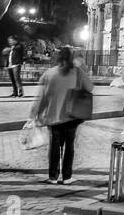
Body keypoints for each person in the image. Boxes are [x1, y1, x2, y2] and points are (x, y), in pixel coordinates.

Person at [31, 46, 93, 185]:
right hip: (72, 116)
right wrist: (82, 68)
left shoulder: (48, 74)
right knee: (69, 147)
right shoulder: (77, 72)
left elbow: (41, 98)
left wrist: (35, 115)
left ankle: (53, 177)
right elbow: (90, 88)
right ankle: (67, 177)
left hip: (53, 117)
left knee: (54, 147)